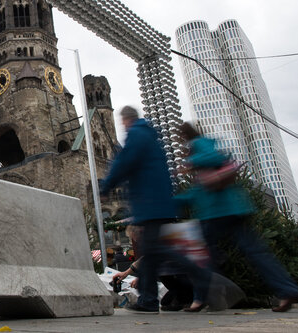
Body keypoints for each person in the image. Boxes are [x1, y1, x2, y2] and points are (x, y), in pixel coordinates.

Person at [176, 122, 298, 312]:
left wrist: (192, 163)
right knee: (252, 253)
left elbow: (213, 157)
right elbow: (200, 190)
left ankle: (203, 298)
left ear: (185, 135)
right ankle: (287, 289)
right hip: (227, 210)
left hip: (219, 212)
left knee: (202, 257)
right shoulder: (198, 151)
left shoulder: (200, 144)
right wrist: (178, 199)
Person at [99, 106, 211, 313]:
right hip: (159, 203)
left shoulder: (137, 134)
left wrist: (106, 185)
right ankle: (149, 300)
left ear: (126, 120)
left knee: (159, 251)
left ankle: (198, 276)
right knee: (153, 252)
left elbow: (124, 162)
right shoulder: (151, 135)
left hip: (150, 204)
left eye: (122, 122)